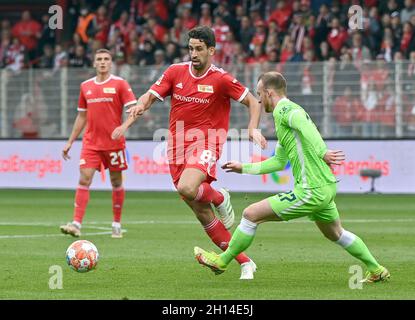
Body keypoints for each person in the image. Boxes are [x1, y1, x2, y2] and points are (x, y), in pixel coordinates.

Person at [194, 71, 390, 284]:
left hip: (310, 190)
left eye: (260, 94)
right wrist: (244, 168)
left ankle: (222, 261)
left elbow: (305, 125)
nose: (259, 100)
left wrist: (322, 150)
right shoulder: (285, 117)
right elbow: (278, 161)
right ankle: (376, 269)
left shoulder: (284, 110)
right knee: (335, 233)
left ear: (269, 93)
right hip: (324, 187)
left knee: (251, 214)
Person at [112, 26, 267, 279]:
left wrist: (252, 128)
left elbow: (253, 101)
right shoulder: (175, 72)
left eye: (198, 49)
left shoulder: (221, 79)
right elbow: (150, 96)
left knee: (187, 188)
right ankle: (245, 262)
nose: (193, 53)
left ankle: (219, 197)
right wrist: (137, 110)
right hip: (176, 146)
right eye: (190, 48)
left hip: (207, 142)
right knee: (201, 211)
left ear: (211, 51)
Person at [60, 48, 137, 238]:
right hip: (91, 144)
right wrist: (70, 141)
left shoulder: (120, 84)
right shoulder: (85, 86)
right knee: (84, 179)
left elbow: (134, 110)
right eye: (99, 59)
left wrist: (123, 127)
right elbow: (81, 116)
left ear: (111, 63)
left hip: (114, 144)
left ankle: (116, 224)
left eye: (106, 59)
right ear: (94, 63)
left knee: (116, 182)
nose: (102, 62)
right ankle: (76, 224)